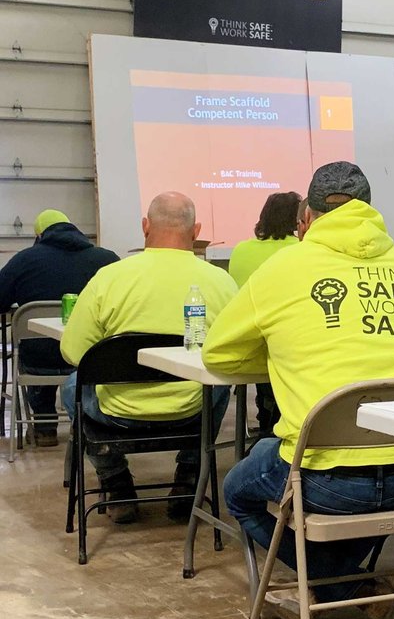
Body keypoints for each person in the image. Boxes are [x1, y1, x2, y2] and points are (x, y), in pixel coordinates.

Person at [204, 162, 394, 619]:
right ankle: (352, 583)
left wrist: (285, 359)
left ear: (307, 217)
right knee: (344, 493)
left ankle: (346, 587)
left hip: (327, 480)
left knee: (239, 491)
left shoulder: (285, 267)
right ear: (368, 211)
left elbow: (219, 355)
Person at [60, 193, 236, 523]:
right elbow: (237, 352)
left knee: (71, 387)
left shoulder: (109, 277)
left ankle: (116, 483)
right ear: (196, 230)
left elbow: (73, 352)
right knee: (220, 385)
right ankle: (189, 479)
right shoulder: (222, 282)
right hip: (190, 411)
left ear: (145, 227)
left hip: (117, 412)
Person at [0, 209, 119, 446]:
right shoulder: (107, 260)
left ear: (40, 235)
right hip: (90, 359)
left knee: (37, 344)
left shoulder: (24, 260)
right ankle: (85, 422)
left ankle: (44, 427)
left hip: (38, 363)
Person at [227, 191, 302, 436]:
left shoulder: (240, 250)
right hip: (291, 346)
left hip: (249, 343)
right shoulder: (302, 250)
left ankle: (265, 420)